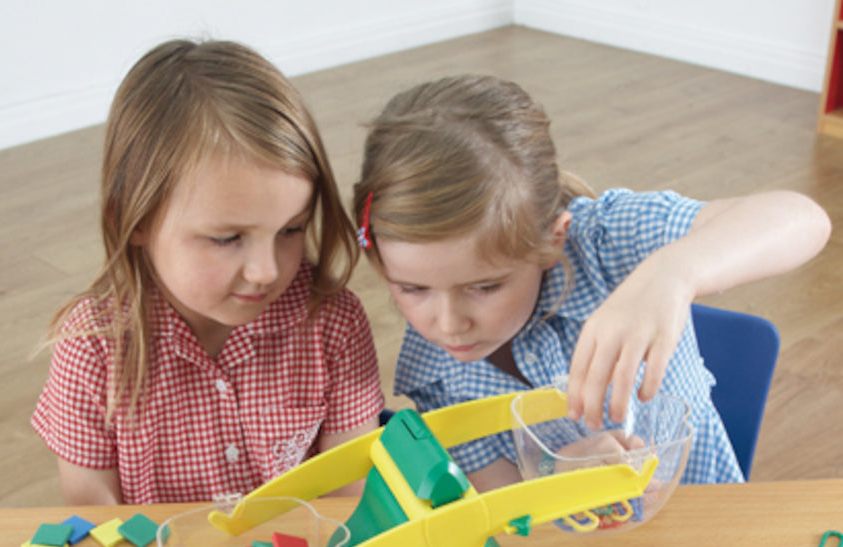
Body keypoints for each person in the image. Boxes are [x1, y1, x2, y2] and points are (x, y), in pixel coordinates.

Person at [352, 74, 831, 490]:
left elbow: (802, 218)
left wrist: (672, 273)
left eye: (485, 287)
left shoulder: (607, 239)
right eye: (412, 289)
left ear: (554, 238)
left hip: (703, 520)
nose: (449, 324)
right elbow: (504, 509)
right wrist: (556, 477)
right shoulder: (433, 373)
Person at [33, 39, 385, 505]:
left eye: (291, 230)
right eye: (227, 238)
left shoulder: (334, 324)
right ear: (133, 221)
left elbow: (349, 497)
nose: (266, 271)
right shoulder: (91, 347)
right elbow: (96, 517)